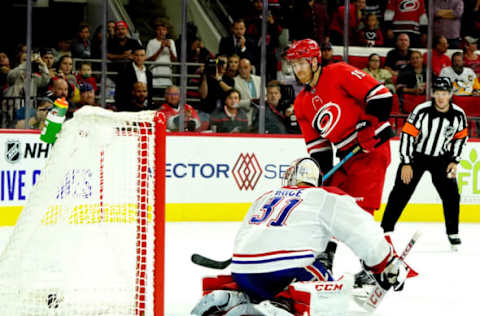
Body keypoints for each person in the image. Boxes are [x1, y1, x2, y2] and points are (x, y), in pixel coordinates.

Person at [191, 157, 407, 315]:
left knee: (266, 276)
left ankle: (233, 297)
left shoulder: (266, 196)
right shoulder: (324, 196)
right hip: (284, 272)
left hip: (242, 271)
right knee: (325, 278)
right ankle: (280, 306)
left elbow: (246, 236)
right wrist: (385, 263)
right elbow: (362, 231)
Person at [285, 38, 395, 288]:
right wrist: (316, 179)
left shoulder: (339, 72)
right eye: (294, 64)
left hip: (371, 150)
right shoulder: (301, 103)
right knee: (326, 203)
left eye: (302, 62)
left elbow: (381, 97)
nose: (298, 69)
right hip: (346, 154)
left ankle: (378, 266)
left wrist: (369, 125)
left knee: (357, 213)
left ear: (314, 61)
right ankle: (323, 260)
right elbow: (320, 151)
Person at [381, 77, 468, 251]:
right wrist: (406, 162)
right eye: (438, 93)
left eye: (444, 93)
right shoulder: (422, 111)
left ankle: (453, 232)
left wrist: (454, 160)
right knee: (400, 192)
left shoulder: (458, 115)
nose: (441, 97)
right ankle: (385, 229)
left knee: (451, 195)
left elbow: (460, 138)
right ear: (433, 94)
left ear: (450, 94)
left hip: (442, 159)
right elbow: (407, 135)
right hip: (416, 157)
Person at [114, 46, 153, 111]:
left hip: (144, 109)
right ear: (132, 56)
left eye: (142, 55)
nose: (139, 58)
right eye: (137, 55)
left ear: (145, 57)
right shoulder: (124, 72)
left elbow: (150, 92)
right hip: (128, 108)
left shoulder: (149, 73)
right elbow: (119, 92)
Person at [199, 54, 234, 119]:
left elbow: (230, 92)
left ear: (227, 65)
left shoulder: (229, 79)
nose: (222, 65)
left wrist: (218, 79)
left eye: (224, 63)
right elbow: (203, 95)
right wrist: (204, 77)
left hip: (223, 113)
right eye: (219, 62)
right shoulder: (207, 77)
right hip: (206, 112)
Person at [146, 20, 177, 90]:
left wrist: (169, 48)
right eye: (159, 30)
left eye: (163, 30)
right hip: (154, 78)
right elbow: (149, 60)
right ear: (156, 31)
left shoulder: (171, 42)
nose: (161, 32)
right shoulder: (151, 42)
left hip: (167, 78)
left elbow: (174, 60)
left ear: (166, 31)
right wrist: (160, 49)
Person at [234, 58, 264, 125]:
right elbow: (234, 103)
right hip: (244, 118)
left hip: (261, 116)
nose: (243, 70)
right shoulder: (234, 82)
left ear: (250, 68)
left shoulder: (259, 80)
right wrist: (249, 102)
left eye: (245, 67)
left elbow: (266, 96)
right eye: (240, 68)